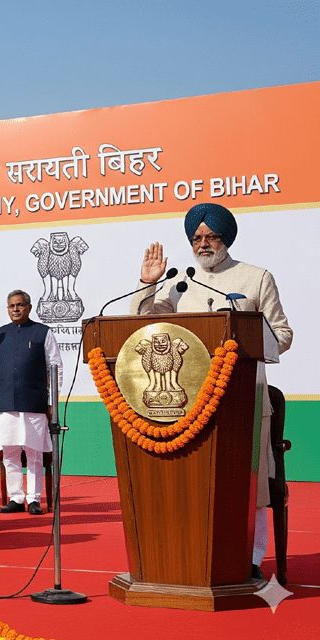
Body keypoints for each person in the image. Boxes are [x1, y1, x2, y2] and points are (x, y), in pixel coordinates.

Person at [130, 202, 292, 580]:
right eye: (196, 238)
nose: (203, 244)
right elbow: (141, 321)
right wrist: (148, 283)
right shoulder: (179, 282)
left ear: (225, 238)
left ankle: (251, 558)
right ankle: (193, 555)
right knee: (196, 484)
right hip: (191, 402)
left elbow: (282, 334)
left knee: (250, 486)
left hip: (244, 400)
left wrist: (243, 341)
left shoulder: (256, 278)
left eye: (211, 236)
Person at [0, 290, 61, 516]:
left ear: (29, 307)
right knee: (10, 453)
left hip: (34, 403)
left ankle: (34, 499)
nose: (15, 309)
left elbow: (55, 367)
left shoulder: (43, 332)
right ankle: (15, 498)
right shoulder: (0, 333)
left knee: (34, 453)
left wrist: (52, 401)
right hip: (6, 403)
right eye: (11, 306)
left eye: (20, 305)